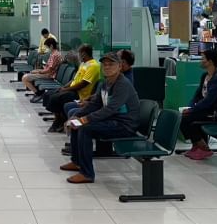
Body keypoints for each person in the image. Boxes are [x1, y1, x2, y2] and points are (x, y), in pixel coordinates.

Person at [60, 52, 140, 184]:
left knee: (84, 128)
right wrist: (76, 116)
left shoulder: (122, 84)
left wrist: (85, 120)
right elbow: (95, 104)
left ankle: (87, 174)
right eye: (105, 64)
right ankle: (77, 162)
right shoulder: (106, 83)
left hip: (124, 125)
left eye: (111, 64)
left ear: (119, 66)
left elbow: (110, 109)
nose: (107, 67)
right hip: (112, 120)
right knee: (76, 123)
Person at [181, 49, 217, 160]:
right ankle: (197, 146)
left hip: (216, 113)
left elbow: (209, 101)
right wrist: (190, 107)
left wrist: (192, 110)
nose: (201, 60)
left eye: (203, 58)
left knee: (187, 119)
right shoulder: (205, 76)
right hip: (206, 110)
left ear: (210, 62)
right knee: (183, 116)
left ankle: (203, 147)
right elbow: (197, 95)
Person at [44, 45, 100, 133]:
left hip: (80, 93)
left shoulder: (93, 65)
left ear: (84, 54)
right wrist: (64, 87)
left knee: (55, 98)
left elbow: (83, 83)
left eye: (79, 53)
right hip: (72, 89)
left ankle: (58, 121)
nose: (78, 56)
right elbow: (74, 79)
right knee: (49, 94)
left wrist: (66, 90)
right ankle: (59, 117)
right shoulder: (83, 64)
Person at [22, 37, 61, 102]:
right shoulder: (54, 54)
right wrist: (38, 71)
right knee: (32, 72)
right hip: (47, 73)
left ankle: (39, 94)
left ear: (51, 46)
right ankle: (38, 91)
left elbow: (49, 70)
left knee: (25, 78)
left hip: (49, 75)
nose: (47, 49)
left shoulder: (55, 55)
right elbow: (48, 67)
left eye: (47, 47)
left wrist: (39, 72)